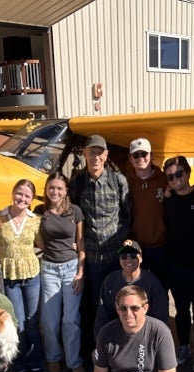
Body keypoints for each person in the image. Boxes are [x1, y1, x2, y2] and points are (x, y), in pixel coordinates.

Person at [68, 134, 132, 347]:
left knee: (120, 301)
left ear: (105, 155)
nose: (95, 156)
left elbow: (127, 215)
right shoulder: (77, 183)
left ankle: (121, 345)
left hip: (115, 255)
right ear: (85, 155)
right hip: (93, 256)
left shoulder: (118, 180)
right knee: (96, 304)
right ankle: (99, 347)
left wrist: (122, 241)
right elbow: (74, 215)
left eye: (99, 152)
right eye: (91, 152)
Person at [163, 156, 194, 371]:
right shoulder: (168, 200)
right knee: (182, 311)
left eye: (179, 174)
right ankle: (183, 346)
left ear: (188, 173)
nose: (175, 179)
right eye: (170, 176)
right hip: (176, 265)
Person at [36, 172, 87, 372]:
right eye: (51, 187)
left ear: (66, 190)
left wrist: (81, 273)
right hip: (48, 269)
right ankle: (53, 357)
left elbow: (81, 244)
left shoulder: (74, 211)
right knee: (49, 320)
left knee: (71, 319)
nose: (55, 191)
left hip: (71, 269)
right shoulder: (40, 212)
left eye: (59, 188)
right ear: (46, 189)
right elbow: (37, 241)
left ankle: (74, 361)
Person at [0, 179, 43, 372]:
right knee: (18, 323)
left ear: (31, 199)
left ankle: (35, 361)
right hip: (10, 277)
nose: (22, 198)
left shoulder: (35, 220)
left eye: (27, 196)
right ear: (13, 192)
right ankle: (19, 361)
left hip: (32, 276)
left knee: (33, 322)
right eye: (19, 193)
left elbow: (43, 244)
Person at [93, 239, 168, 339]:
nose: (128, 260)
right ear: (119, 259)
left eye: (133, 255)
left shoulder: (152, 282)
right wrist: (99, 343)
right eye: (124, 256)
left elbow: (161, 317)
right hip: (117, 336)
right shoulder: (110, 281)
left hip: (144, 336)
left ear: (140, 258)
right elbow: (102, 316)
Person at [125, 138, 169, 289]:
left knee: (160, 288)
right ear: (130, 159)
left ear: (151, 155)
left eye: (144, 154)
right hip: (137, 245)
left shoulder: (165, 179)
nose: (140, 158)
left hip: (161, 245)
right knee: (138, 290)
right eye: (136, 155)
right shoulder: (125, 182)